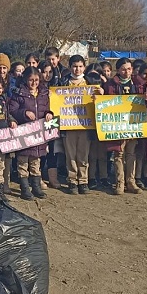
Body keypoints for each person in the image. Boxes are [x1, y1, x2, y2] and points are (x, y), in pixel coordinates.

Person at [9, 66, 53, 200]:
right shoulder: (18, 94)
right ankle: (25, 189)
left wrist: (49, 114)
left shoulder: (44, 94)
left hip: (38, 133)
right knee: (22, 163)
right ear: (25, 80)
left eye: (36, 80)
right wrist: (24, 113)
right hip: (24, 133)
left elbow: (48, 108)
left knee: (35, 162)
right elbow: (11, 111)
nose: (34, 83)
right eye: (30, 80)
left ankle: (36, 188)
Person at [59, 55, 100, 194]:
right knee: (70, 154)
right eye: (75, 66)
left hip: (85, 125)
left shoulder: (90, 82)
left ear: (84, 67)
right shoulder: (63, 82)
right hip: (68, 125)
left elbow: (100, 102)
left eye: (80, 66)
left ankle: (83, 180)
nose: (77, 69)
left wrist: (101, 94)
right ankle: (72, 181)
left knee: (83, 154)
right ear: (70, 67)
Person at [104, 58, 142, 195]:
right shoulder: (111, 85)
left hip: (133, 123)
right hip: (118, 124)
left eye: (129, 69)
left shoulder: (138, 83)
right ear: (118, 70)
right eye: (123, 69)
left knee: (131, 153)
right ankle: (119, 182)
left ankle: (131, 181)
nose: (127, 72)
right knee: (119, 153)